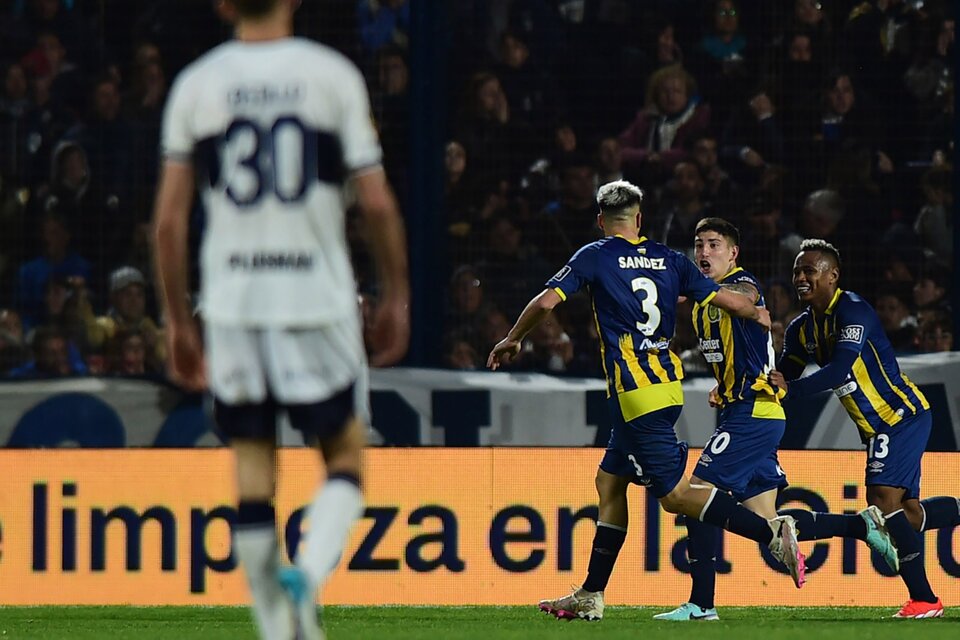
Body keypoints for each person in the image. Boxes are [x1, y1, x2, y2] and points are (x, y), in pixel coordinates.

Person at [152, 1, 409, 639]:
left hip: (234, 303)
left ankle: (275, 624)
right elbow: (375, 202)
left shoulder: (197, 85)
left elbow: (167, 221)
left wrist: (179, 321)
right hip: (314, 299)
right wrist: (397, 293)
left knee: (251, 465)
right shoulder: (331, 76)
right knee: (346, 455)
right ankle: (309, 574)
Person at [487, 181, 805, 623]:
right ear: (639, 219)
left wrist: (512, 338)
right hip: (661, 387)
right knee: (610, 483)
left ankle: (770, 532)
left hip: (638, 394)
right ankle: (591, 592)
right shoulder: (671, 259)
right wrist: (758, 313)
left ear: (601, 220)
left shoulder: (594, 255)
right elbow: (727, 299)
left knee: (677, 497)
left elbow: (546, 302)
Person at [655, 219, 896, 622]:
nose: (703, 252)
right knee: (768, 518)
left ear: (733, 253)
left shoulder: (741, 284)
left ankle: (702, 605)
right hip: (744, 409)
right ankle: (862, 526)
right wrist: (724, 386)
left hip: (755, 413)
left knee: (696, 496)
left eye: (714, 244)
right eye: (698, 245)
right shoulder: (702, 305)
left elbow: (746, 296)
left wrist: (738, 304)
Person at [770, 239, 960, 619]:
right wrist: (765, 385)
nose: (801, 278)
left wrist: (791, 388)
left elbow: (838, 371)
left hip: (899, 415)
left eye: (810, 270)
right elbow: (784, 379)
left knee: (881, 504)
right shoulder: (800, 329)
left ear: (832, 275)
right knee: (906, 515)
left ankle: (925, 600)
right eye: (797, 271)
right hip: (877, 428)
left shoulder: (853, 311)